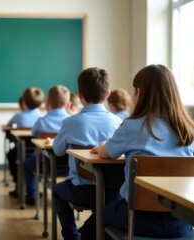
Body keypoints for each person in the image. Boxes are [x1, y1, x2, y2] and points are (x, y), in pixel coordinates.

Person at [89, 64, 194, 239]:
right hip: (182, 221)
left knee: (98, 215)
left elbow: (105, 153)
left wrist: (102, 145)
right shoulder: (188, 130)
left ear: (138, 91)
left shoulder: (132, 126)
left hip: (139, 219)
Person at [52, 67, 122, 239]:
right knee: (106, 207)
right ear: (107, 94)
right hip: (115, 194)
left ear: (80, 95)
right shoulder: (119, 122)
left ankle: (72, 235)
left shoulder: (70, 122)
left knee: (56, 191)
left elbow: (58, 150)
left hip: (82, 191)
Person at [24, 85, 70, 205]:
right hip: (68, 166)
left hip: (43, 164)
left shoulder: (41, 121)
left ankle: (31, 195)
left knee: (26, 165)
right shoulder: (71, 121)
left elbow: (34, 134)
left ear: (48, 102)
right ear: (68, 103)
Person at [7, 87, 44, 198]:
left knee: (11, 154)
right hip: (39, 151)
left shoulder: (19, 116)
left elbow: (9, 125)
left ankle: (18, 184)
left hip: (21, 150)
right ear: (41, 104)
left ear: (23, 101)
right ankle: (35, 186)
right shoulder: (42, 117)